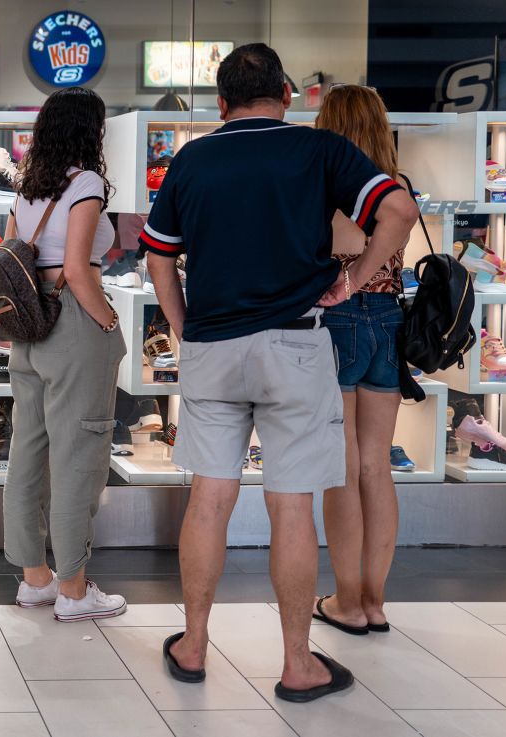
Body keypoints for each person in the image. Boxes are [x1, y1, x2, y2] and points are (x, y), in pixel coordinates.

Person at [142, 44, 417, 702]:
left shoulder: (193, 158)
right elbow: (398, 210)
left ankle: (194, 644)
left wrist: (182, 324)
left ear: (221, 102)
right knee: (290, 505)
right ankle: (298, 662)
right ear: (288, 96)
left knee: (210, 498)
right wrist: (351, 279)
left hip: (212, 346)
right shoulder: (317, 152)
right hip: (296, 343)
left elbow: (158, 257)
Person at [2, 86, 128, 622]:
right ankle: (74, 590)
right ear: (90, 130)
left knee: (28, 451)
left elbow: (7, 253)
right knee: (79, 456)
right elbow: (77, 268)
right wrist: (108, 319)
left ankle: (36, 579)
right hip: (72, 321)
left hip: (27, 326)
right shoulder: (87, 183)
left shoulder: (27, 188)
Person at [311, 85, 407, 635]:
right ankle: (374, 601)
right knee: (377, 466)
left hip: (339, 321)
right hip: (390, 322)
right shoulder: (397, 187)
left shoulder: (331, 187)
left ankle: (346, 600)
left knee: (342, 467)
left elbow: (330, 246)